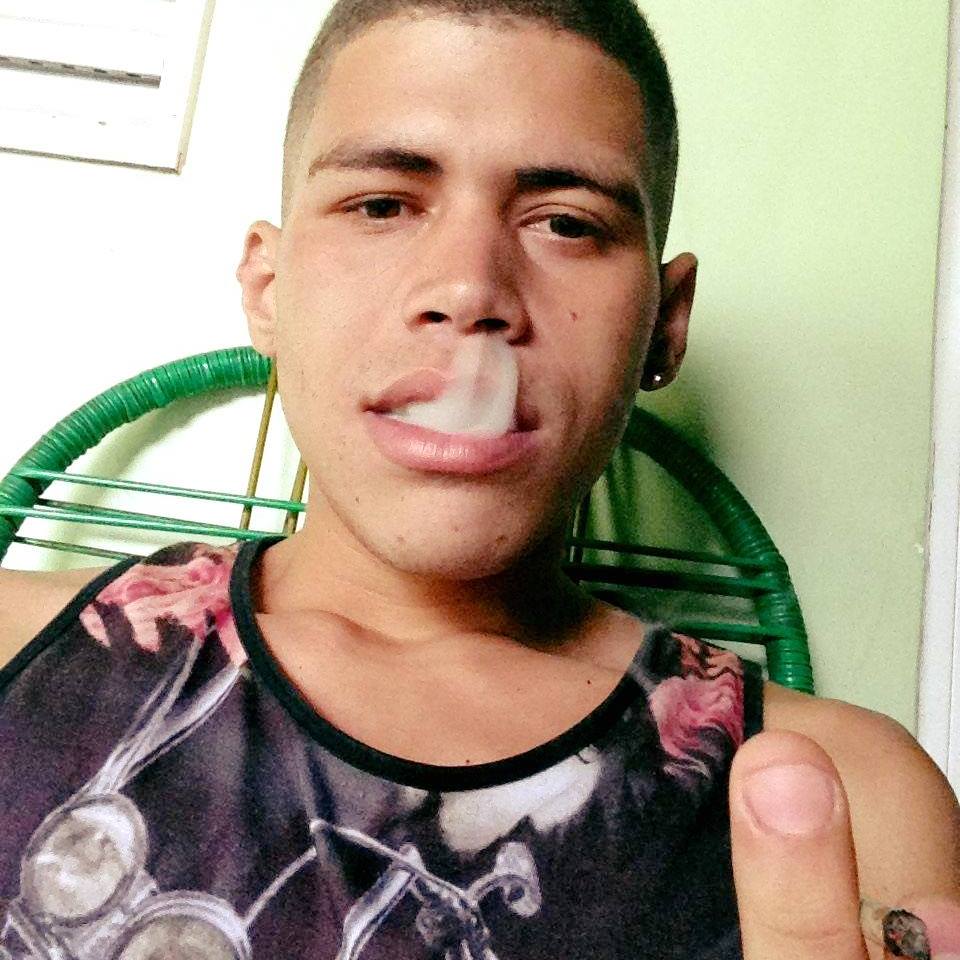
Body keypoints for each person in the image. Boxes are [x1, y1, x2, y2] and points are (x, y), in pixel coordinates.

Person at [0, 0, 957, 957]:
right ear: (270, 288)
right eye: (381, 206)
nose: (469, 290)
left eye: (567, 224)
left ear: (665, 326)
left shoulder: (847, 796)